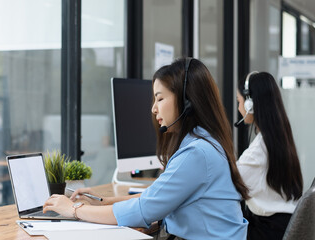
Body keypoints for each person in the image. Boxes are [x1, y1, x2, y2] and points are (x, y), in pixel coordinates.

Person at [43, 57, 249, 239]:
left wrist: (73, 209)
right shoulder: (205, 143)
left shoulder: (197, 153)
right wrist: (103, 201)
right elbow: (155, 197)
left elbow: (144, 210)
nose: (153, 108)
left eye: (160, 98)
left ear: (187, 102)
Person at [235, 71, 303, 240]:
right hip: (283, 225)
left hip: (267, 231)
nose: (238, 108)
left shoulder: (260, 148)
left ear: (250, 103)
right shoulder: (278, 137)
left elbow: (229, 181)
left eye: (239, 101)